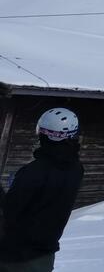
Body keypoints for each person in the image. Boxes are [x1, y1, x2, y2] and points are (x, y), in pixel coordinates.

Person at [0, 108, 84, 272]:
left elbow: (9, 212)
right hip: (45, 255)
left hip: (15, 257)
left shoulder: (34, 171)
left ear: (44, 135)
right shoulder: (77, 169)